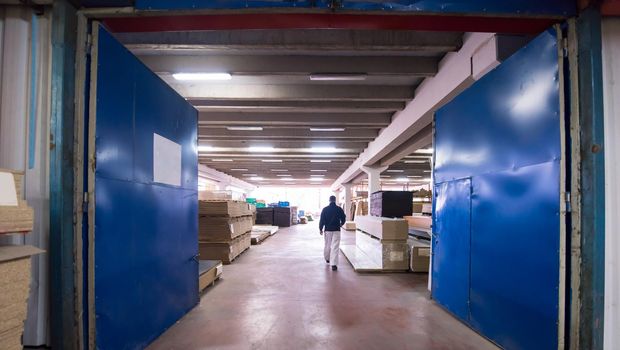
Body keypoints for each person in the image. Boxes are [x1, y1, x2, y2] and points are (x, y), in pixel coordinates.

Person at [319, 195, 346, 271]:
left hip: (327, 230)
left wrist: (320, 229)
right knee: (335, 246)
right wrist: (341, 224)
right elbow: (343, 218)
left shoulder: (325, 209)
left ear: (329, 200)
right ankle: (334, 264)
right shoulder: (339, 209)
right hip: (336, 230)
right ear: (335, 200)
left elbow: (322, 220)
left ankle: (327, 259)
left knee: (327, 244)